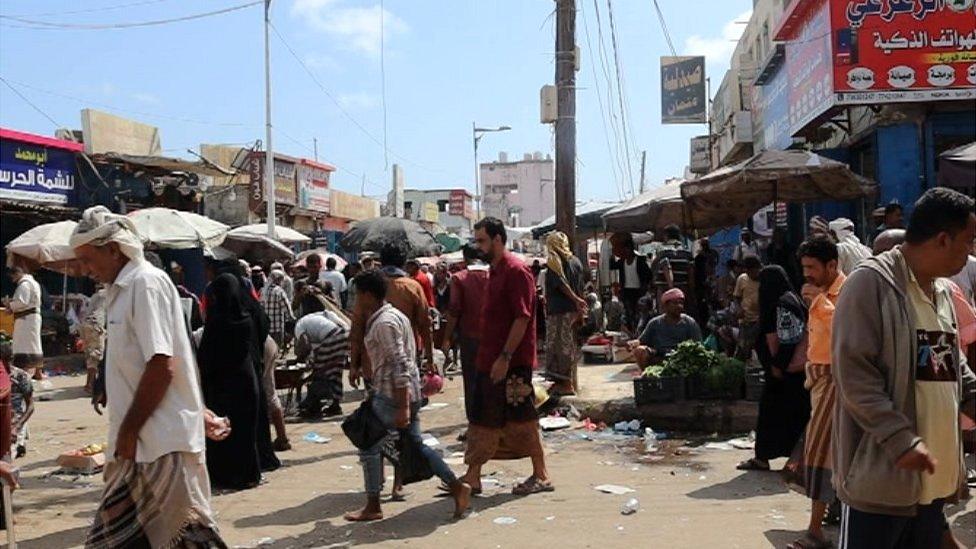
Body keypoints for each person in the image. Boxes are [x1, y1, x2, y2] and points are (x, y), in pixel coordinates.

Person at [70, 206, 225, 546]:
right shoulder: (119, 289)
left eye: (87, 259)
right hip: (136, 446)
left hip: (160, 444)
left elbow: (161, 364)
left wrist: (129, 430)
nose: (85, 269)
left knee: (187, 538)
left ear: (113, 249)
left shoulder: (145, 283)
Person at [832, 188, 976, 548]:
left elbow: (952, 371)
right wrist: (901, 441)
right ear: (943, 239)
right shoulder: (871, 283)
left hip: (930, 485)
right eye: (968, 242)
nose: (970, 252)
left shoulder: (941, 292)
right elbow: (855, 377)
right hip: (880, 484)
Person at [343, 269, 471, 522]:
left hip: (393, 394)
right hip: (405, 391)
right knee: (415, 445)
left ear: (368, 295)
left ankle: (372, 504)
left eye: (358, 295)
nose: (356, 301)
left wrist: (402, 406)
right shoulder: (393, 315)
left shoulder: (385, 323)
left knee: (367, 442)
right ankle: (456, 486)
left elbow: (399, 363)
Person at [460, 217, 552, 496]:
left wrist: (505, 357)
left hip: (511, 363)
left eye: (482, 241)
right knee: (483, 417)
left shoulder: (515, 270)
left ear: (498, 239)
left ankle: (541, 474)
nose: (479, 247)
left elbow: (522, 319)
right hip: (490, 360)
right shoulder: (495, 270)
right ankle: (473, 475)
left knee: (522, 419)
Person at [789, 236, 846, 549]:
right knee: (827, 452)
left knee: (821, 452)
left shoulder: (846, 293)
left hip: (838, 380)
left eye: (812, 267)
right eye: (804, 267)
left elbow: (848, 332)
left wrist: (819, 304)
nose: (807, 273)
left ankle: (814, 531)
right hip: (819, 380)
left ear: (832, 266)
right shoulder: (820, 293)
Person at [737, 265, 810, 471]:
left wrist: (778, 365)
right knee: (788, 415)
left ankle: (767, 457)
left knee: (775, 414)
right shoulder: (789, 299)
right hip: (790, 374)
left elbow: (790, 338)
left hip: (786, 373)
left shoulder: (783, 303)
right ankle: (779, 457)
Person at [197, 273, 264, 490]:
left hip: (221, 385)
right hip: (245, 381)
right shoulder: (246, 319)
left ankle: (225, 476)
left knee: (222, 430)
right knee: (244, 431)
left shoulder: (216, 322)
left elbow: (206, 356)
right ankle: (248, 474)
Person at [350, 243, 434, 390]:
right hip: (406, 360)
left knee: (378, 408)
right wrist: (430, 359)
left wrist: (354, 366)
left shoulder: (367, 289)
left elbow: (357, 329)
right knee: (404, 406)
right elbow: (425, 326)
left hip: (373, 364)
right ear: (403, 263)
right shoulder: (412, 287)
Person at [442, 244, 489, 423]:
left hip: (470, 336)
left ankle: (475, 422)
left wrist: (446, 338)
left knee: (471, 380)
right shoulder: (494, 275)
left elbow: (454, 310)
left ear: (465, 257)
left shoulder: (460, 278)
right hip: (494, 336)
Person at [543, 231, 588, 396]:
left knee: (558, 347)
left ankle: (566, 384)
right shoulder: (576, 261)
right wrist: (580, 306)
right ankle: (565, 383)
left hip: (559, 311)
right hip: (571, 311)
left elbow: (561, 284)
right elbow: (580, 285)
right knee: (568, 346)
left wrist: (576, 300)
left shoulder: (554, 262)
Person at [295, 309, 350, 419]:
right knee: (336, 372)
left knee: (320, 371)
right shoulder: (312, 316)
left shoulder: (298, 327)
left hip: (332, 336)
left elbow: (305, 346)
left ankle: (314, 404)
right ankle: (335, 405)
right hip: (343, 333)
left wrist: (298, 360)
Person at [628, 288, 701, 368]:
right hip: (660, 357)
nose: (679, 306)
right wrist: (633, 343)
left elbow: (698, 345)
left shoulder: (690, 322)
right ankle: (648, 377)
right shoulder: (655, 323)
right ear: (665, 306)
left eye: (681, 303)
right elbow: (641, 341)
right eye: (675, 303)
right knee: (640, 351)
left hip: (682, 359)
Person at [5, 265, 43, 380]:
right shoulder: (33, 283)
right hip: (31, 318)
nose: (12, 280)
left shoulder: (24, 284)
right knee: (34, 344)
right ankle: (38, 372)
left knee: (25, 346)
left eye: (12, 277)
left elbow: (22, 302)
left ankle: (26, 372)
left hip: (27, 319)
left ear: (16, 274)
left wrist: (9, 305)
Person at [609, 232, 652, 334]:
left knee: (639, 317)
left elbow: (648, 276)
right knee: (629, 315)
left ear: (628, 248)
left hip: (639, 293)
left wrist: (646, 290)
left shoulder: (640, 261)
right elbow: (611, 266)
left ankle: (639, 335)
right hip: (627, 292)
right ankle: (632, 334)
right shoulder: (621, 262)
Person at [651, 225, 696, 317]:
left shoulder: (661, 250)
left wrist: (671, 288)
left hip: (665, 288)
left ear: (666, 236)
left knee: (664, 317)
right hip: (683, 288)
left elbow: (665, 266)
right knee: (680, 316)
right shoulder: (686, 251)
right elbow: (691, 273)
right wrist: (691, 291)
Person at [733, 256, 763, 360]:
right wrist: (738, 309)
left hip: (760, 320)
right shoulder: (742, 279)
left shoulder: (764, 280)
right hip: (745, 321)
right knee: (743, 348)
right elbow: (736, 297)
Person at [80, 286, 107, 394]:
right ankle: (90, 384)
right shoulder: (109, 295)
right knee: (95, 355)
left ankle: (89, 383)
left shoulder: (95, 296)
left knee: (89, 354)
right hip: (96, 325)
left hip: (85, 324)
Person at [261, 269, 296, 347]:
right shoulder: (279, 292)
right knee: (277, 349)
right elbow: (287, 309)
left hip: (266, 327)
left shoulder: (263, 291)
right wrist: (293, 319)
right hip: (277, 328)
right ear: (279, 280)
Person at [693, 237, 720, 325]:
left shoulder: (712, 254)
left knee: (713, 302)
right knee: (706, 303)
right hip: (703, 283)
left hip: (709, 280)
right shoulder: (700, 257)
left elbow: (714, 265)